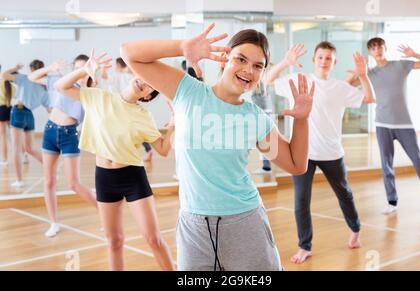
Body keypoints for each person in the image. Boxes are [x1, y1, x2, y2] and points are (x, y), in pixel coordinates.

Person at [122, 24, 314, 270]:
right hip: (194, 226)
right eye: (241, 59)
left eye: (258, 66)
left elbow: (296, 165)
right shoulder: (188, 91)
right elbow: (130, 53)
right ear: (225, 59)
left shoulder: (254, 118)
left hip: (245, 223)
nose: (248, 70)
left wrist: (301, 119)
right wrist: (181, 47)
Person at [55, 49, 175, 271]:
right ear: (133, 75)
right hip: (104, 177)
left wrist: (175, 124)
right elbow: (61, 86)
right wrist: (84, 70)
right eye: (144, 78)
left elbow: (163, 150)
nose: (144, 83)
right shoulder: (99, 97)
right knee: (114, 241)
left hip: (133, 177)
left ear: (147, 96)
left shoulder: (143, 116)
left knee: (153, 239)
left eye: (150, 86)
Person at [266, 42, 375, 264]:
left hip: (332, 152)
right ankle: (304, 246)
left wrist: (363, 76)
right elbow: (267, 80)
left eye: (328, 58)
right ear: (314, 60)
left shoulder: (340, 87)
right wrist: (286, 62)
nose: (324, 61)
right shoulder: (299, 80)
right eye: (320, 57)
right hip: (302, 153)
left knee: (344, 193)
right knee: (301, 200)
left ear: (334, 62)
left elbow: (368, 98)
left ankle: (355, 230)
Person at [355, 37, 420, 214]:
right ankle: (392, 202)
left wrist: (414, 54)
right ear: (370, 52)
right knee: (386, 165)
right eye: (373, 48)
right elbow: (349, 84)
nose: (377, 50)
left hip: (404, 124)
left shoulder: (400, 65)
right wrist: (358, 72)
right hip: (381, 124)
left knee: (418, 161)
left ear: (385, 48)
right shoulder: (370, 73)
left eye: (379, 47)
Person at [28, 55, 97, 237]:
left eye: (84, 69)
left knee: (73, 184)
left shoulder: (89, 91)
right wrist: (50, 67)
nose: (79, 72)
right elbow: (32, 77)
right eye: (77, 68)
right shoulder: (59, 82)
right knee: (49, 181)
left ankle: (104, 211)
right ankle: (54, 222)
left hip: (69, 135)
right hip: (50, 130)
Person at [1, 61, 50, 188]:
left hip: (18, 112)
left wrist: (15, 67)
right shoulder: (44, 87)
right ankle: (50, 167)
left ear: (31, 68)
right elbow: (49, 109)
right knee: (30, 149)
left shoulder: (25, 78)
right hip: (30, 116)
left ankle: (19, 180)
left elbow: (4, 75)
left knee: (17, 149)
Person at [0, 64, 16, 165]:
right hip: (10, 109)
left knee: (2, 136)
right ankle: (24, 155)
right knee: (13, 135)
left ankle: (4, 160)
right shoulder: (11, 85)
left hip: (0, 109)